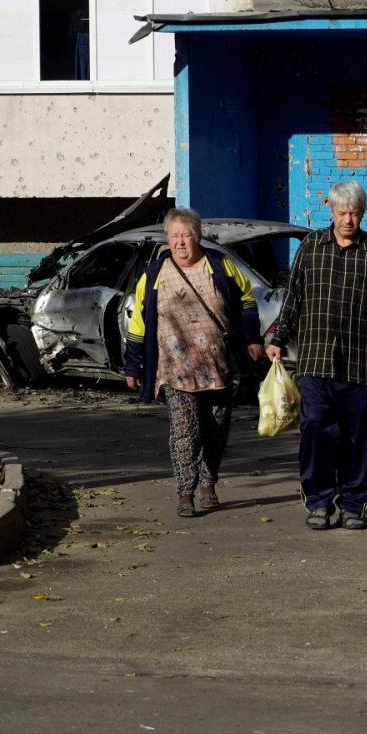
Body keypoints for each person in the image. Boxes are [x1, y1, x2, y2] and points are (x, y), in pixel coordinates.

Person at [266, 180, 367, 530]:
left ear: (363, 214)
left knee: (360, 438)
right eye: (343, 212)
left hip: (362, 363)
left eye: (355, 213)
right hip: (315, 361)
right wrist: (277, 336)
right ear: (331, 211)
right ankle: (318, 502)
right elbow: (294, 297)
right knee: (315, 430)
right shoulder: (312, 247)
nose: (348, 220)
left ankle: (354, 505)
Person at [125, 208, 264, 516]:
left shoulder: (219, 265)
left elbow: (246, 300)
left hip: (216, 366)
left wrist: (252, 338)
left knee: (215, 429)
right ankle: (185, 491)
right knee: (186, 430)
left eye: (186, 235)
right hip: (175, 369)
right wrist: (133, 366)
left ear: (197, 236)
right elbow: (138, 324)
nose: (180, 242)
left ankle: (208, 482)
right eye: (174, 236)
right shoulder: (154, 274)